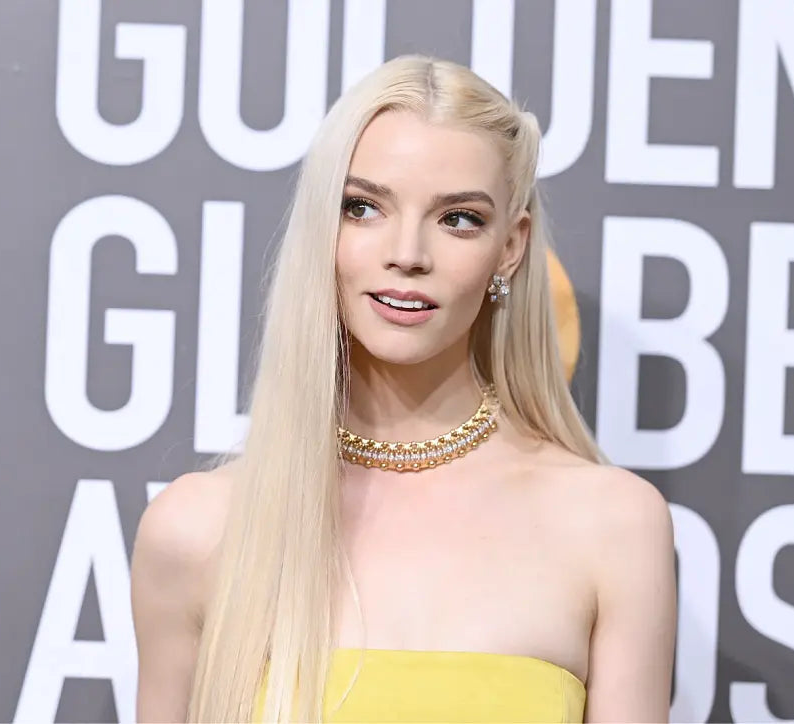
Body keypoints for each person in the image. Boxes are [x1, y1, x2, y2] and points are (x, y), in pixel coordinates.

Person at [130, 54, 676, 723]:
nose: (408, 253)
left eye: (458, 219)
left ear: (511, 247)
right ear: (322, 227)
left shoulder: (611, 525)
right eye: (363, 208)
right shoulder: (196, 531)